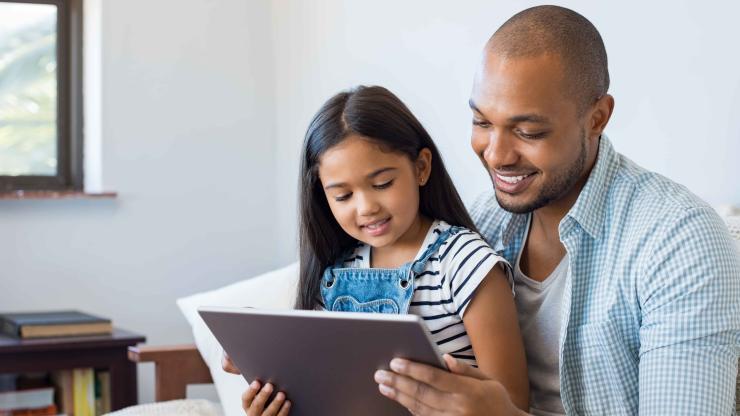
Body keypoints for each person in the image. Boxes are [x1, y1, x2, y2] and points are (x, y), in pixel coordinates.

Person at [372, 5, 740, 415]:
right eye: (481, 122)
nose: (496, 155)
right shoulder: (476, 227)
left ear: (597, 118)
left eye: (529, 131)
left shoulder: (679, 241)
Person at [234, 85, 529, 416]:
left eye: (382, 184)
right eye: (343, 196)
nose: (366, 208)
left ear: (421, 168)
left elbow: (511, 404)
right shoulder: (337, 272)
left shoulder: (464, 263)